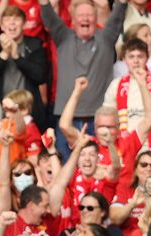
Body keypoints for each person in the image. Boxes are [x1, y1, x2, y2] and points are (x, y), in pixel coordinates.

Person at [41, 0, 127, 156]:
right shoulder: (63, 37)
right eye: (81, 15)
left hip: (99, 120)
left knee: (101, 164)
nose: (85, 18)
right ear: (73, 19)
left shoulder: (106, 37)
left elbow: (118, 13)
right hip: (67, 120)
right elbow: (48, 14)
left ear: (96, 18)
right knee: (67, 164)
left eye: (89, 15)